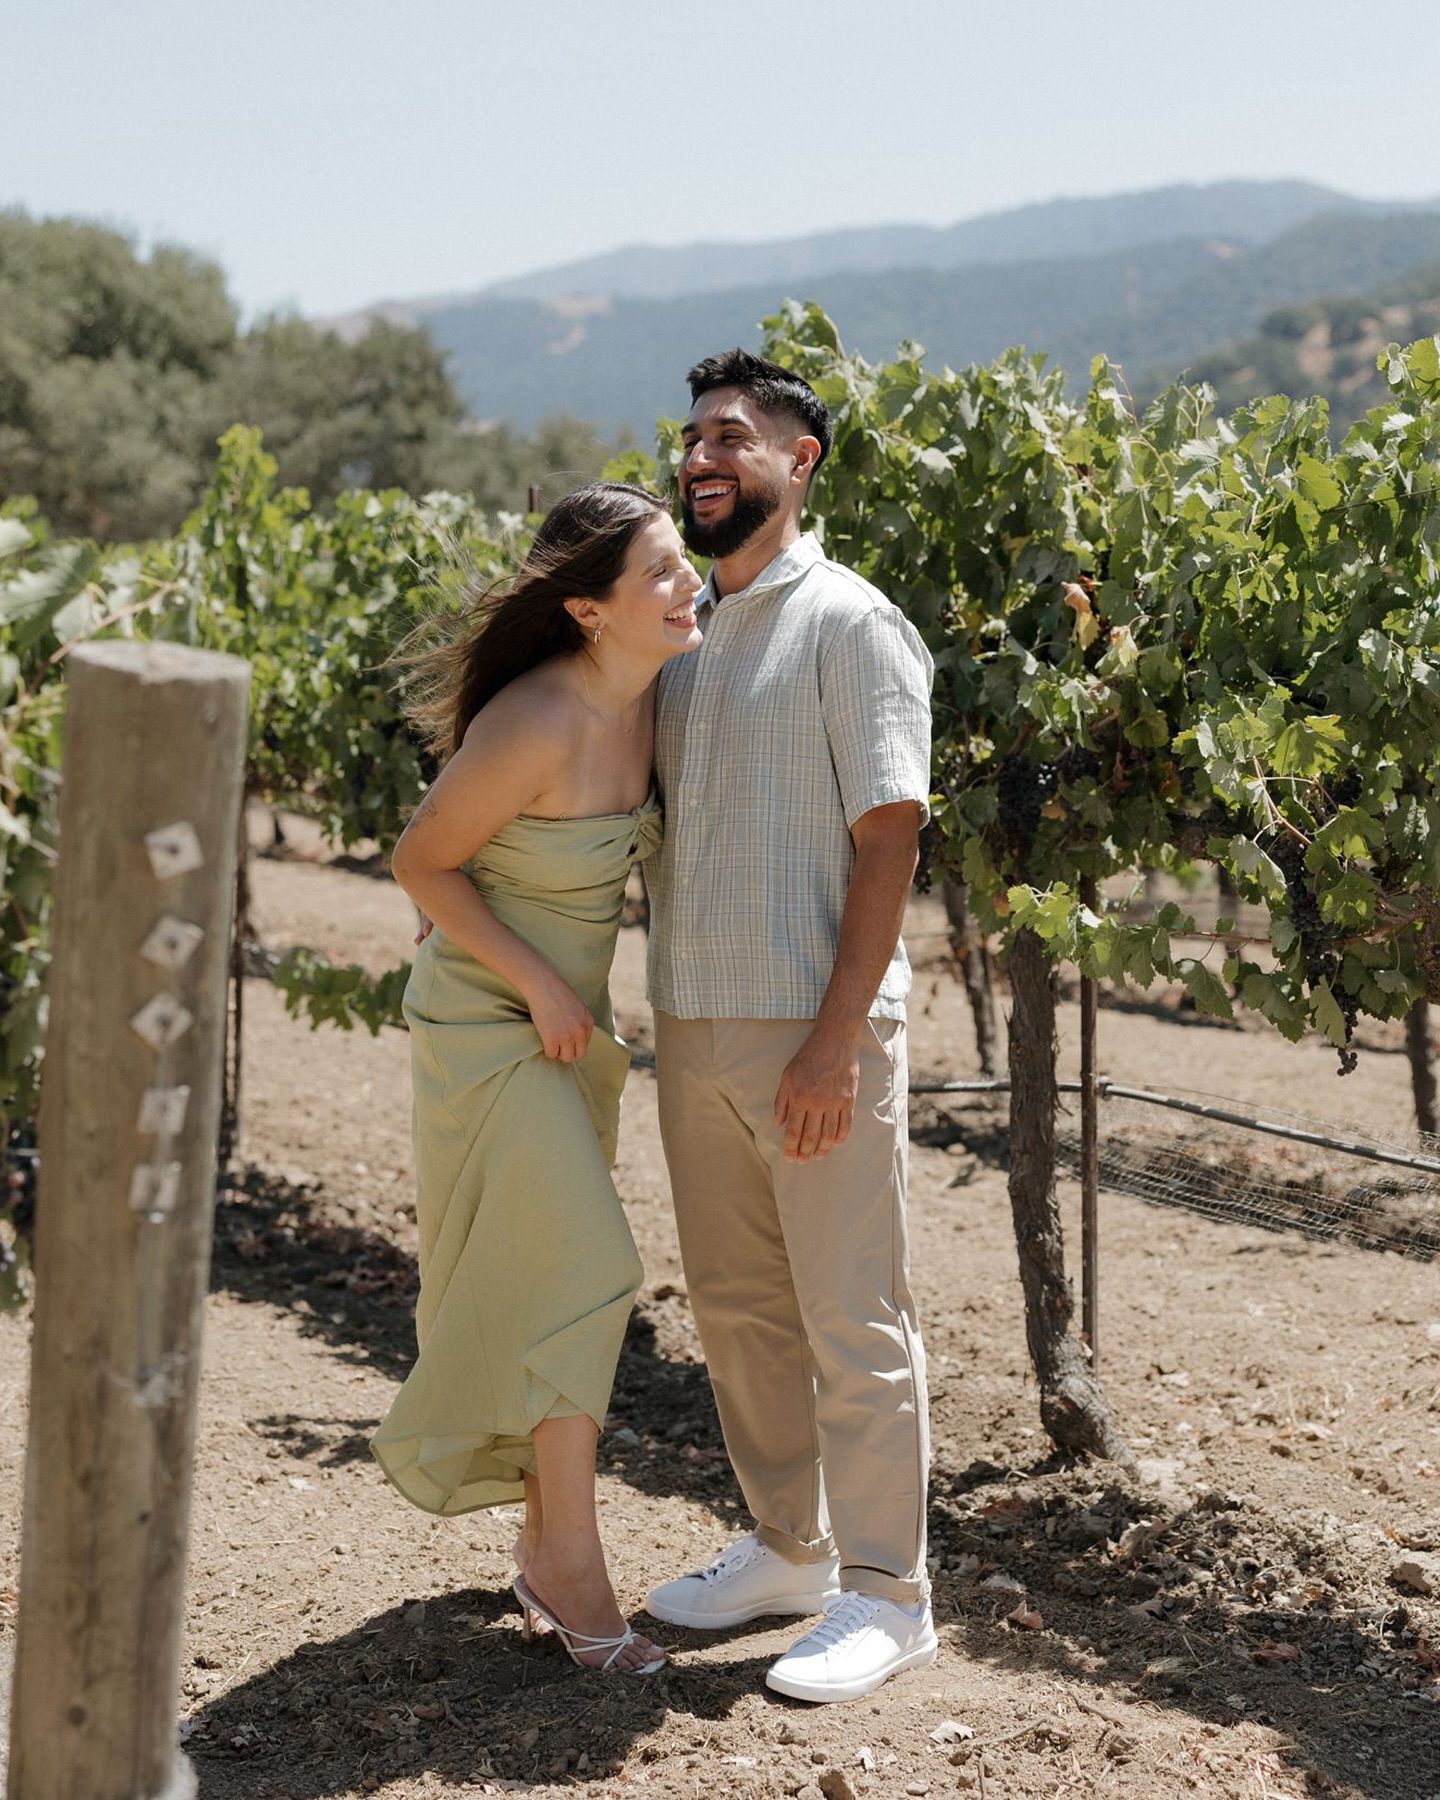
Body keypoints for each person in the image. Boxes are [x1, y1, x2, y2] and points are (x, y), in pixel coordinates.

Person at [643, 350, 936, 1703]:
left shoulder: (853, 624)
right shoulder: (689, 635)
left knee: (851, 1318)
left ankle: (888, 1593)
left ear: (798, 461)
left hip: (817, 1034)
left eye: (731, 439)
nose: (702, 459)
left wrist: (833, 1043)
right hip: (694, 1023)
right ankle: (786, 1548)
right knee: (740, 1310)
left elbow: (891, 842)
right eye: (692, 439)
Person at [371, 481, 702, 1674]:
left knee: (541, 1273)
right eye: (660, 572)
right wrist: (542, 984)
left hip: (571, 1040)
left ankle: (539, 1538)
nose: (688, 585)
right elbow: (423, 862)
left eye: (683, 562)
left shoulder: (656, 699)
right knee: (591, 1265)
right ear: (586, 609)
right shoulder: (540, 717)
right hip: (492, 1024)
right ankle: (571, 1568)